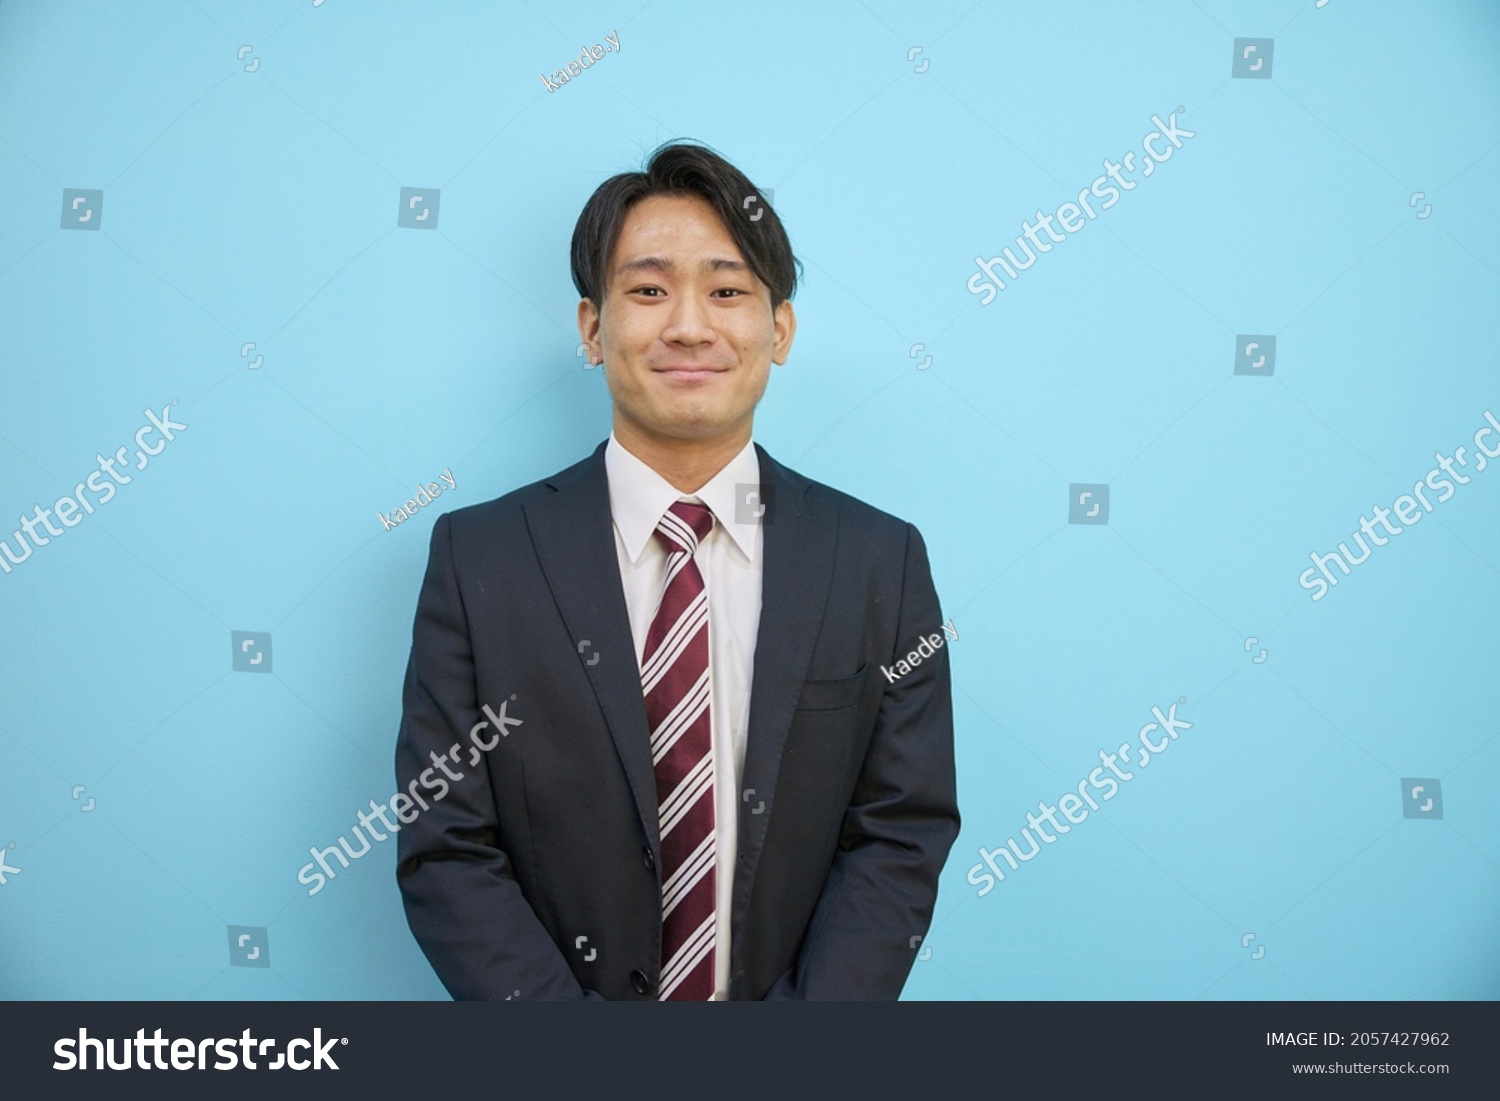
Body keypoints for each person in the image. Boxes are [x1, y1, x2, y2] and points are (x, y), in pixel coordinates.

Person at [394, 140, 959, 1000]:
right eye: (649, 289)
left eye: (728, 290)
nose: (689, 324)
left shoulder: (880, 560)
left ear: (780, 330)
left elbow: (900, 830)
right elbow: (445, 844)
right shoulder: (481, 561)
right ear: (592, 327)